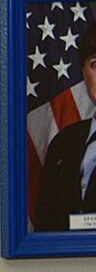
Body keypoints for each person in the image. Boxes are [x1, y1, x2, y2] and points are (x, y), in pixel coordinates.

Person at [34, 24, 96, 231]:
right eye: (95, 65)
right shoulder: (64, 142)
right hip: (61, 261)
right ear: (83, 74)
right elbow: (45, 224)